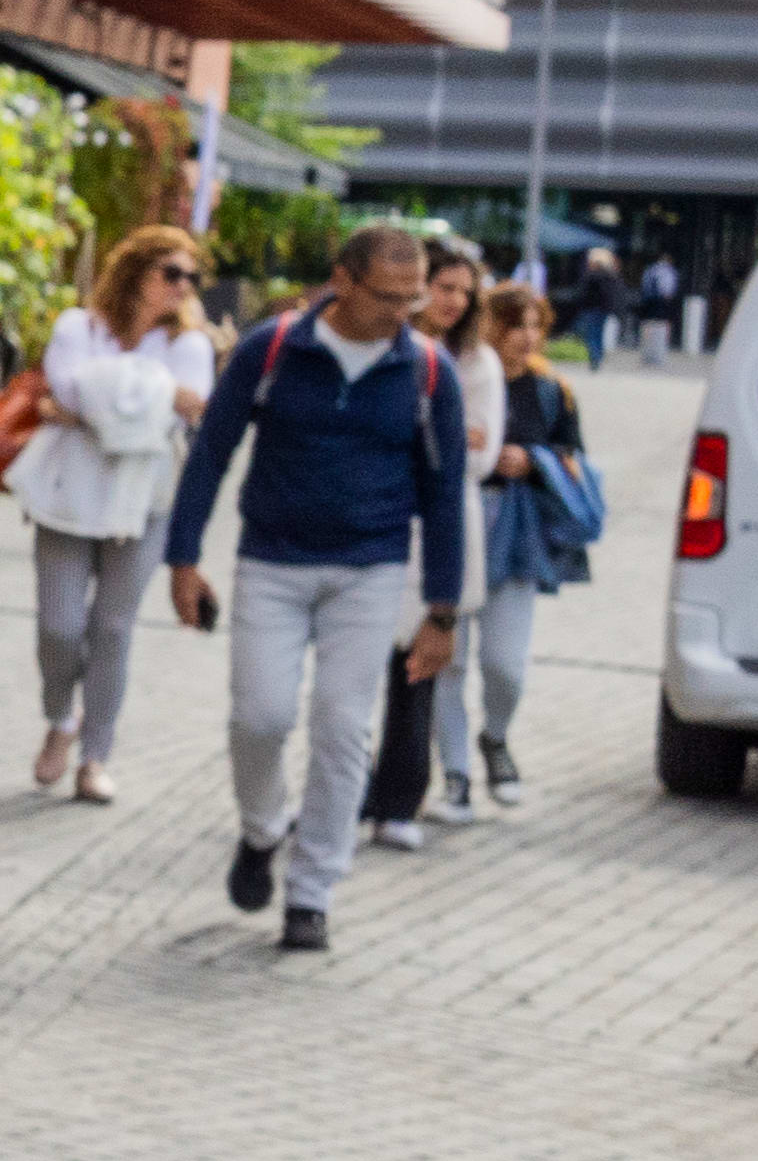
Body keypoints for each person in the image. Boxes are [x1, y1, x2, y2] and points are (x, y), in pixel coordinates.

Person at [165, 214, 472, 958]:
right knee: (260, 717)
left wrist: (442, 612)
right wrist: (182, 559)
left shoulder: (429, 371)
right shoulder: (272, 349)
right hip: (271, 562)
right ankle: (262, 829)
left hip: (371, 571)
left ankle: (312, 893)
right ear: (341, 282)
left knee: (342, 726)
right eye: (387, 296)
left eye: (412, 298)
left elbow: (445, 494)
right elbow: (211, 453)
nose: (402, 313)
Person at [12, 223, 216, 803]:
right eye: (171, 272)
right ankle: (61, 718)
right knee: (58, 626)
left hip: (145, 502)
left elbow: (181, 412)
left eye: (192, 277)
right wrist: (152, 396)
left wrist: (95, 408)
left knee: (112, 628)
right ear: (135, 272)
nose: (183, 286)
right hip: (67, 497)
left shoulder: (190, 344)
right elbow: (69, 392)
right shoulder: (79, 327)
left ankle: (95, 756)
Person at [372, 237, 495, 836]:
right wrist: (442, 435)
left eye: (465, 293)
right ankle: (354, 795)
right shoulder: (385, 346)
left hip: (441, 532)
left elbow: (481, 456)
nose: (454, 301)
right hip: (379, 521)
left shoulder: (477, 364)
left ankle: (400, 801)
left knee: (417, 671)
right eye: (445, 287)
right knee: (358, 671)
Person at [464, 275, 595, 802]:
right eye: (515, 324)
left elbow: (575, 459)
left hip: (518, 533)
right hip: (461, 521)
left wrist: (533, 462)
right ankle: (454, 774)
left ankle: (495, 736)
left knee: (505, 665)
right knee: (449, 661)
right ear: (488, 325)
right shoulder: (464, 377)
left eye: (536, 326)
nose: (528, 336)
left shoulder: (550, 390)